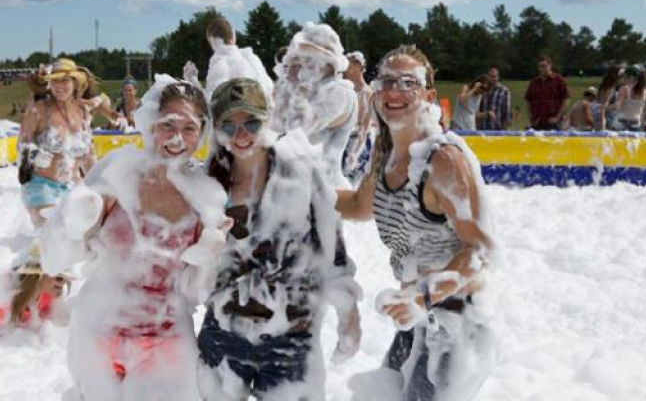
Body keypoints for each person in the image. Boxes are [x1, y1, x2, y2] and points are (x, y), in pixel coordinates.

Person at [40, 75, 230, 401]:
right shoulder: (118, 172)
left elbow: (194, 292)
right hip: (101, 324)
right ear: (150, 124)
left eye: (189, 129)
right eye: (168, 126)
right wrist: (70, 225)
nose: (176, 139)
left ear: (202, 133)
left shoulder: (205, 198)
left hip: (165, 330)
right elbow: (55, 259)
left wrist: (209, 259)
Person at [336, 45, 496, 401]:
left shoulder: (444, 160)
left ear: (429, 96)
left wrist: (423, 297)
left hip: (456, 322)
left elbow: (480, 250)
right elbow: (360, 205)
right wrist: (294, 188)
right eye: (387, 81)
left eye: (408, 82)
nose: (394, 91)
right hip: (417, 315)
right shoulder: (386, 155)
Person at [198, 78, 362, 401]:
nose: (240, 134)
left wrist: (348, 310)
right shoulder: (208, 179)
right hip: (224, 332)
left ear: (268, 118)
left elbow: (332, 244)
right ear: (216, 130)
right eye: (228, 126)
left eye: (251, 122)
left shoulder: (300, 169)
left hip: (289, 336)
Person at [275, 23, 358, 187]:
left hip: (326, 194)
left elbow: (299, 128)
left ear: (329, 61)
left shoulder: (340, 93)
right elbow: (274, 125)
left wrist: (295, 91)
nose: (303, 64)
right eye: (299, 58)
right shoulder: (311, 89)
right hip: (297, 189)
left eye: (309, 58)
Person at [18, 58, 94, 227]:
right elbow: (21, 144)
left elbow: (88, 156)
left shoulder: (82, 112)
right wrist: (33, 154)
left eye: (64, 80)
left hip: (73, 187)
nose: (59, 86)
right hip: (41, 187)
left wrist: (97, 183)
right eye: (55, 81)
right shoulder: (39, 109)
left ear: (74, 82)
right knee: (53, 236)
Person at [0, 245, 68, 329]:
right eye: (58, 277)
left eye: (65, 276)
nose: (62, 282)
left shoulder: (48, 293)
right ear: (35, 276)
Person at [205, 16, 274, 103]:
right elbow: (269, 90)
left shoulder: (220, 62)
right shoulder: (251, 58)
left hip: (239, 113)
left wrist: (193, 80)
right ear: (233, 37)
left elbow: (212, 102)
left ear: (211, 40)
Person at [342, 51, 375, 184]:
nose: (345, 70)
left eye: (348, 66)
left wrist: (355, 152)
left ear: (357, 67)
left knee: (352, 184)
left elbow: (364, 127)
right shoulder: (348, 91)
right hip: (345, 141)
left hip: (358, 144)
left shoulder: (366, 93)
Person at [525, 56, 570, 130]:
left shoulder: (558, 80)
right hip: (537, 122)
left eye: (544, 66)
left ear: (550, 66)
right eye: (540, 66)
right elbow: (528, 100)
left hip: (553, 122)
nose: (542, 69)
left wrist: (557, 117)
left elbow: (566, 99)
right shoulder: (534, 82)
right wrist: (530, 118)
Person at [612, 67, 646, 131]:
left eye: (623, 76)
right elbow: (645, 108)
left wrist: (606, 107)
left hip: (622, 122)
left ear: (629, 77)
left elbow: (618, 105)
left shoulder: (624, 88)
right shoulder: (644, 91)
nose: (622, 79)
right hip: (636, 122)